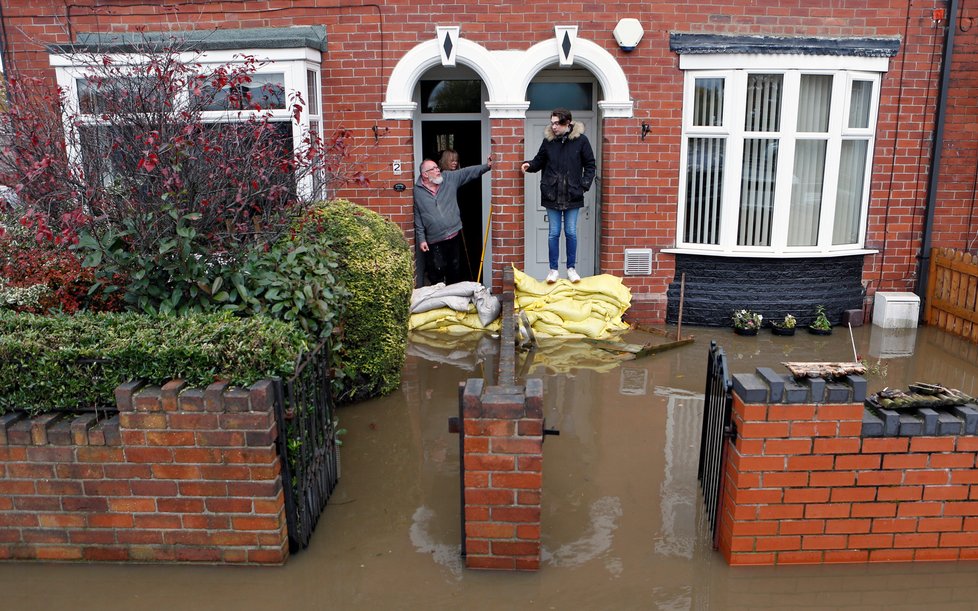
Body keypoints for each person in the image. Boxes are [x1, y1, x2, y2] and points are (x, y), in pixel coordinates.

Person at [521, 107, 596, 284]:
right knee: (553, 233)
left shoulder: (581, 141)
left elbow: (590, 166)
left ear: (567, 123)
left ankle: (571, 269)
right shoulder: (548, 142)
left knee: (570, 232)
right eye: (552, 123)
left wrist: (583, 186)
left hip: (573, 195)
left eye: (557, 123)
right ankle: (553, 270)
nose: (554, 127)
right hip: (551, 194)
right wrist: (528, 165)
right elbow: (539, 161)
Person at [414, 154, 493, 285]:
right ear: (425, 175)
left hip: (454, 235)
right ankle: (440, 300)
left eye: (437, 167)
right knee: (436, 273)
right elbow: (418, 215)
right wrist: (421, 239)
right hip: (434, 240)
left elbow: (467, 172)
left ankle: (454, 301)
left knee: (455, 271)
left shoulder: (449, 178)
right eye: (433, 169)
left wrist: (487, 167)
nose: (438, 170)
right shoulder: (418, 191)